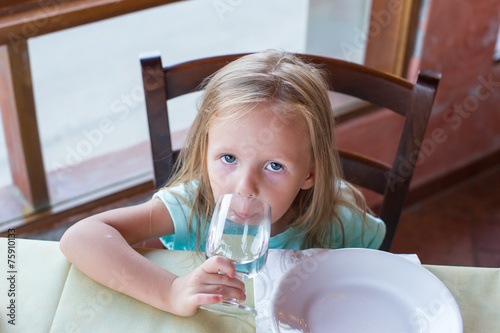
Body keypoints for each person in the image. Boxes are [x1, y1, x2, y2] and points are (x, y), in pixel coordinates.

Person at [59, 49, 385, 317]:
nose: (244, 186)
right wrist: (171, 290)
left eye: (274, 165)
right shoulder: (191, 206)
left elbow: (377, 280)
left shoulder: (340, 223)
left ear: (310, 173)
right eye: (228, 158)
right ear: (204, 153)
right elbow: (81, 237)